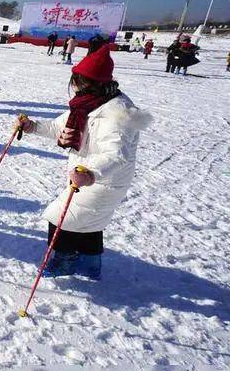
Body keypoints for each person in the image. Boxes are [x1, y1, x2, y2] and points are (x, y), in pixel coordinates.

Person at [16, 46, 152, 279]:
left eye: (77, 82)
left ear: (90, 83)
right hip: (89, 176)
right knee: (88, 222)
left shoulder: (116, 113)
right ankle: (90, 265)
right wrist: (32, 126)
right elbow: (58, 128)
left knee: (62, 217)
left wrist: (90, 173)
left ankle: (64, 262)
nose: (74, 86)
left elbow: (116, 154)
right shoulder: (87, 104)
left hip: (105, 179)